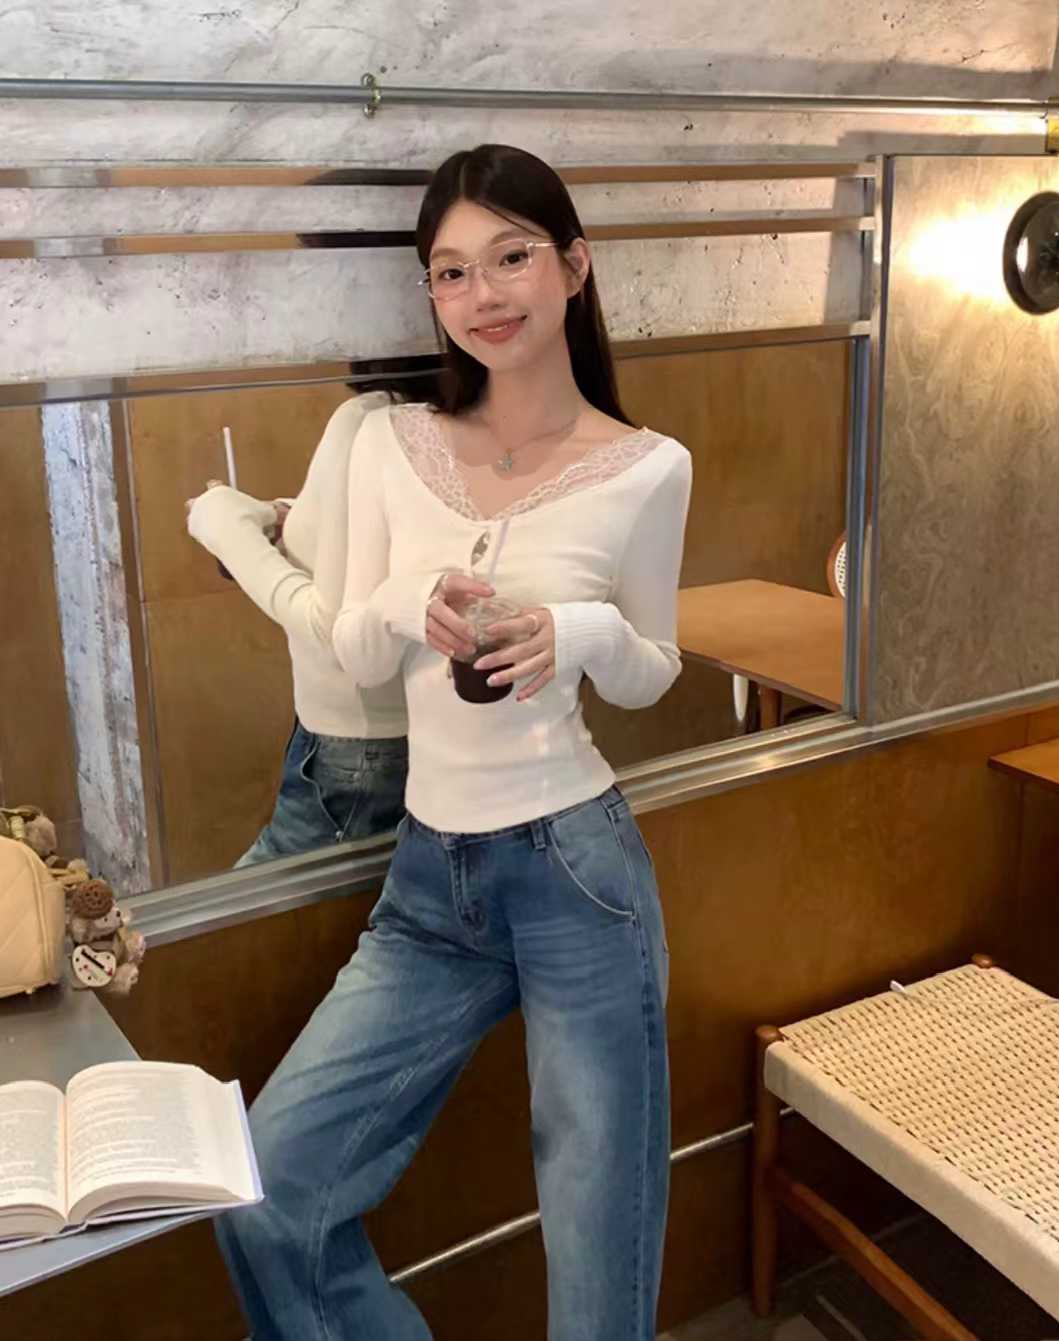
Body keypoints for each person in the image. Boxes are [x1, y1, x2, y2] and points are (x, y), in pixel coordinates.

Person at [214, 143, 693, 1341]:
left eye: (511, 257)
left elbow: (653, 668)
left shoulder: (647, 469)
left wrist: (577, 632)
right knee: (269, 1190)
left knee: (597, 1259)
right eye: (451, 271)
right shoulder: (393, 443)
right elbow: (359, 650)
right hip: (431, 883)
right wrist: (405, 598)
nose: (483, 294)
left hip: (578, 873)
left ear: (574, 265)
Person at [186, 389, 408, 865]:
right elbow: (370, 537)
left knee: (254, 907)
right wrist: (287, 518)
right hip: (393, 734)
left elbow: (331, 624)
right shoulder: (446, 410)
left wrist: (222, 526)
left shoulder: (368, 417)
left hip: (357, 745)